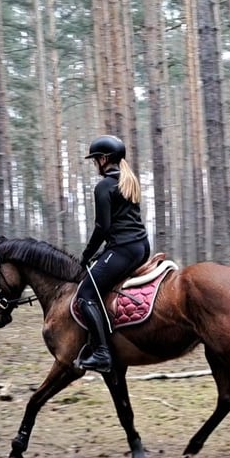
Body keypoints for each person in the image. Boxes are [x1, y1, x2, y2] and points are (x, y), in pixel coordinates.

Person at [76, 135, 150, 373]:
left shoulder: (104, 186)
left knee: (85, 293)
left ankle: (101, 353)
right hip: (140, 246)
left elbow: (102, 228)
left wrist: (87, 255)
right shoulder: (129, 181)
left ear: (104, 159)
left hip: (123, 249)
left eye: (95, 159)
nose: (94, 164)